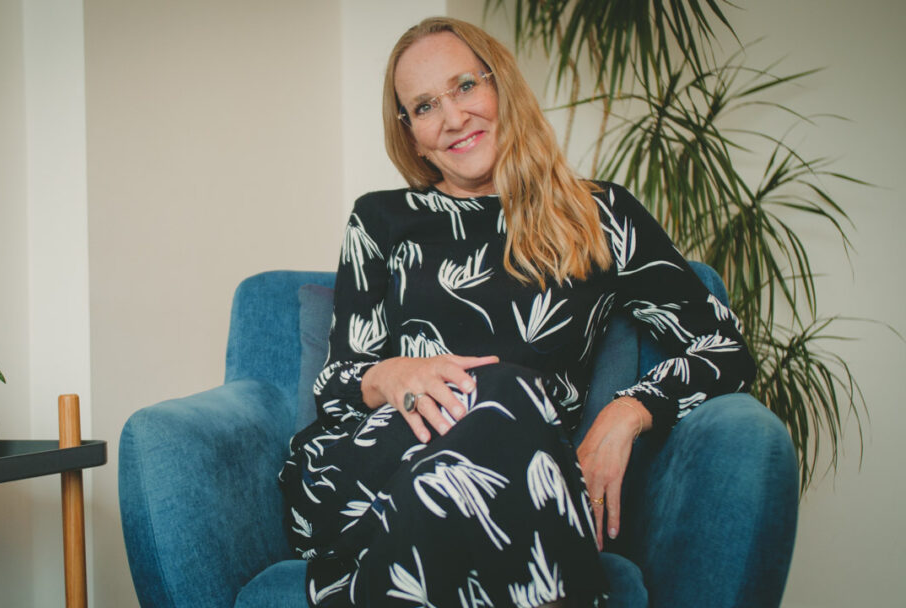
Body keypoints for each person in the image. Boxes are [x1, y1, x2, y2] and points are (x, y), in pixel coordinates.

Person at [278, 16, 755, 608]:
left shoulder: (599, 216)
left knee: (504, 395)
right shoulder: (379, 220)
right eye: (424, 106)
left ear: (500, 84)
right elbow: (333, 387)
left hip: (518, 481)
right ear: (412, 134)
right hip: (365, 468)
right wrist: (391, 373)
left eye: (464, 86)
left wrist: (628, 411)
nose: (453, 117)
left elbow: (726, 347)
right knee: (499, 386)